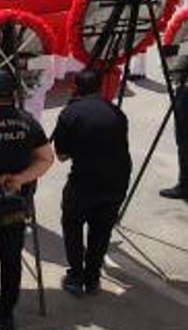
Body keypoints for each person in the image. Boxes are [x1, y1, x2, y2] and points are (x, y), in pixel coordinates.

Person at [0, 71, 52, 330]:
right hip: (16, 203)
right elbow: (46, 158)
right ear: (15, 94)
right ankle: (5, 315)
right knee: (11, 260)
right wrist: (19, 179)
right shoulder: (29, 122)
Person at [52, 68, 131, 295]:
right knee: (101, 229)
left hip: (85, 181)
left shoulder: (70, 113)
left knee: (72, 224)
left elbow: (62, 155)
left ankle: (76, 276)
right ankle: (92, 276)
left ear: (75, 88)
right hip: (116, 180)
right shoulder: (116, 112)